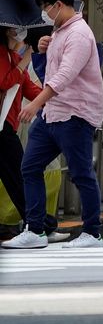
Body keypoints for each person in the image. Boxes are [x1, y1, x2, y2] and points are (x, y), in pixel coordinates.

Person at [3, 0, 103, 249]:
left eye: (45, 7)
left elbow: (63, 77)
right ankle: (35, 230)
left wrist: (35, 103)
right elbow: (52, 71)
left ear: (59, 5)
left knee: (81, 173)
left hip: (75, 114)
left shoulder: (79, 35)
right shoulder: (60, 32)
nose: (44, 13)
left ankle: (92, 232)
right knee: (30, 167)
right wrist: (45, 48)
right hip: (52, 115)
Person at [0, 23, 45, 241]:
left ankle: (38, 223)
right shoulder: (2, 53)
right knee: (19, 174)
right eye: (18, 28)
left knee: (15, 177)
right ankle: (37, 224)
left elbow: (28, 88)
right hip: (3, 129)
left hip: (7, 127)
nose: (22, 33)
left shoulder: (12, 56)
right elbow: (4, 82)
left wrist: (52, 99)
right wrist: (26, 59)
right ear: (8, 31)